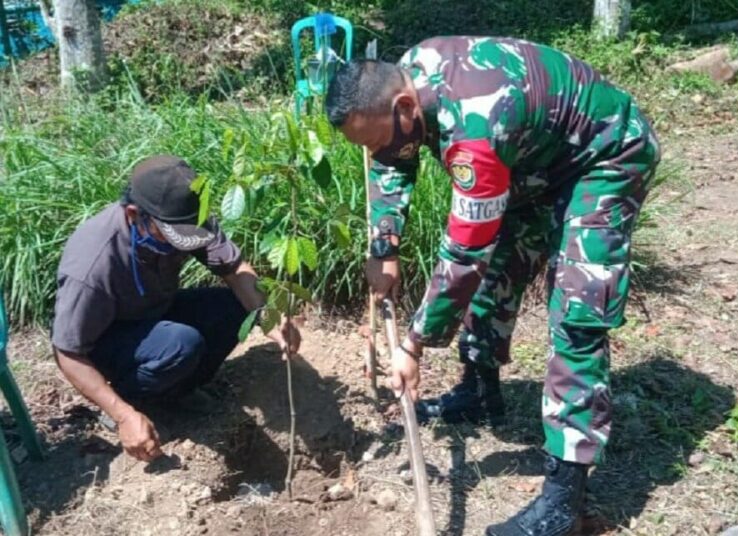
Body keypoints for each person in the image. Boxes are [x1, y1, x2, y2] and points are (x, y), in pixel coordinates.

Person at [325, 36, 660, 535]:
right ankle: (478, 393)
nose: (384, 154)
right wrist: (384, 248)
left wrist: (414, 343)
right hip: (534, 163)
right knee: (498, 272)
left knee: (577, 312)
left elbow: (465, 254)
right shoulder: (409, 76)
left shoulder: (475, 129)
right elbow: (392, 164)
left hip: (603, 159)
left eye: (382, 141)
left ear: (403, 106)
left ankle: (564, 502)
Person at [51, 155, 301, 463]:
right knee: (180, 345)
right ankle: (132, 402)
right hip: (107, 341)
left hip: (154, 313)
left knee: (235, 308)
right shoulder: (92, 265)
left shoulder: (186, 217)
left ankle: (177, 391)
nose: (185, 244)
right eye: (174, 236)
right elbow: (67, 352)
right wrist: (122, 414)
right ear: (134, 215)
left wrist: (268, 316)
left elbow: (235, 270)